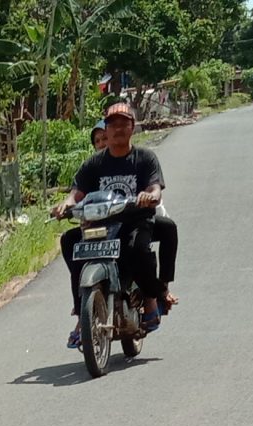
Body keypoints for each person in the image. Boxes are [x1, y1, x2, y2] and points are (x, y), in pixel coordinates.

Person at [56, 101, 175, 344]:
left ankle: (155, 295)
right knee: (69, 242)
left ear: (132, 128)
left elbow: (155, 188)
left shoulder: (145, 158)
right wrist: (66, 204)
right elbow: (76, 192)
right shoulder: (94, 163)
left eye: (124, 124)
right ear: (105, 131)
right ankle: (82, 312)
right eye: (112, 125)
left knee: (137, 250)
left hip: (135, 221)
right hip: (100, 226)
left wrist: (150, 196)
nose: (118, 129)